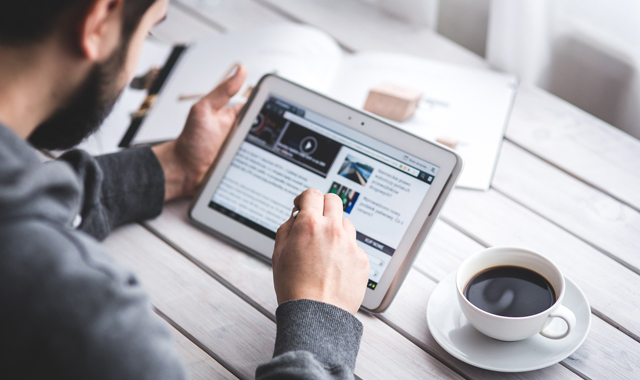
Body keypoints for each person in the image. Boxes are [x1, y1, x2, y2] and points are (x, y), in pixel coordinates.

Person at [0, 0, 370, 379]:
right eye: (150, 29)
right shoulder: (90, 323)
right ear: (98, 21)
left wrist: (174, 166)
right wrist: (320, 318)